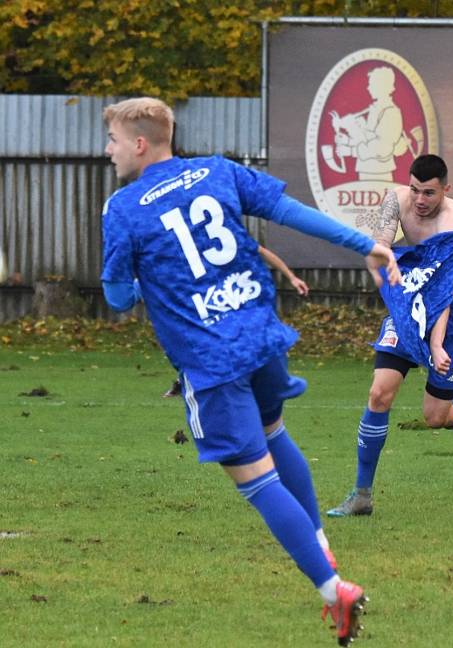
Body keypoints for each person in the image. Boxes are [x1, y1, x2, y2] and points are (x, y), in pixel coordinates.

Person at [100, 97, 400, 645]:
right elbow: (290, 212)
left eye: (113, 141)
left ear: (140, 143)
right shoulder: (218, 170)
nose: (108, 150)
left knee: (257, 483)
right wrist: (368, 244)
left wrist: (150, 284)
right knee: (273, 432)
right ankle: (318, 541)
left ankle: (334, 590)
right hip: (262, 338)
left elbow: (118, 297)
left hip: (209, 361)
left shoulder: (122, 207)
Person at [327, 154, 453, 518]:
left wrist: (434, 342)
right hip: (413, 300)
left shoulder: (452, 222)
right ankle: (361, 495)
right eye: (414, 189)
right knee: (379, 392)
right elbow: (379, 247)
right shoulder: (396, 199)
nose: (419, 200)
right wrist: (388, 272)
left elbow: (442, 292)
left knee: (434, 416)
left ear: (446, 189)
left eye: (429, 193)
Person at [161, 245, 308, 398]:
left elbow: (263, 252)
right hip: (213, 300)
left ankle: (271, 376)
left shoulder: (228, 242)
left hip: (237, 298)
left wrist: (291, 277)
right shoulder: (189, 248)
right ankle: (190, 376)